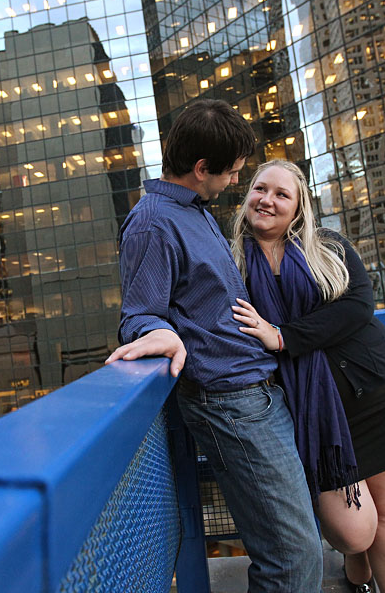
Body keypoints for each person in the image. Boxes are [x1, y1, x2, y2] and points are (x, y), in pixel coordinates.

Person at [105, 101, 322, 592]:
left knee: (295, 548)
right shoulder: (153, 223)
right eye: (231, 174)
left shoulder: (194, 211)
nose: (233, 184)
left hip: (262, 396)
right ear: (201, 169)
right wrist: (152, 332)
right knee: (293, 557)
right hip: (232, 405)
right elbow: (139, 313)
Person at [229, 160, 385, 593]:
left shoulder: (326, 245)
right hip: (310, 409)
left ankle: (369, 582)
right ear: (247, 196)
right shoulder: (231, 260)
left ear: (298, 208)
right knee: (352, 530)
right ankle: (357, 559)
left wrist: (283, 337)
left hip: (375, 391)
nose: (268, 200)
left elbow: (357, 306)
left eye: (282, 194)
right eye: (261, 189)